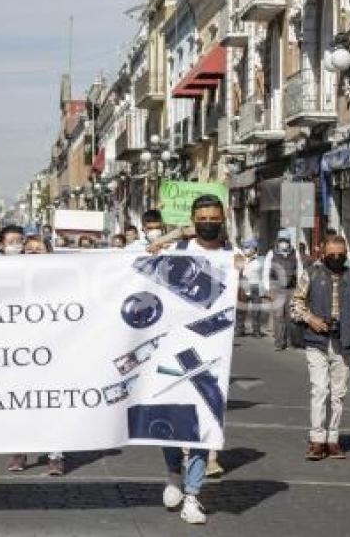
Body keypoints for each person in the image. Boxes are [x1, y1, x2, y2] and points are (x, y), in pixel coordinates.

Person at [155, 195, 243, 525]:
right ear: (194, 220)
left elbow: (242, 299)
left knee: (204, 424)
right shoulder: (178, 252)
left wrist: (240, 276)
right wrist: (174, 235)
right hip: (174, 350)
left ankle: (193, 495)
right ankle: (173, 473)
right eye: (203, 217)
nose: (209, 222)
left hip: (211, 353)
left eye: (214, 217)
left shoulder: (232, 256)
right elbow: (145, 261)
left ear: (223, 220)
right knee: (172, 420)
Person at [290, 235, 350, 460]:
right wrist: (311, 318)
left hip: (343, 342)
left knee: (339, 393)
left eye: (341, 255)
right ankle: (317, 439)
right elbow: (295, 304)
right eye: (332, 255)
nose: (336, 258)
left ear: (346, 254)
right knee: (319, 390)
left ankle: (333, 439)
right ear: (323, 254)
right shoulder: (312, 274)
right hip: (317, 341)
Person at [2, 227, 65, 475]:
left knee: (55, 401)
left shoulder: (64, 279)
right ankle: (20, 450)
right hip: (20, 350)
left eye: (39, 250)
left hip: (55, 347)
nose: (33, 254)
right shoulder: (9, 278)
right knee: (20, 401)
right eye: (29, 251)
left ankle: (56, 454)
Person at [263, 232, 303, 351]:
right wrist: (267, 289)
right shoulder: (271, 253)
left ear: (289, 241)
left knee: (290, 316)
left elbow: (300, 270)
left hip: (291, 288)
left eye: (285, 240)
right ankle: (279, 342)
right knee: (278, 315)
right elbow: (266, 271)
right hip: (276, 287)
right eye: (281, 240)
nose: (283, 243)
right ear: (277, 240)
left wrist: (300, 288)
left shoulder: (295, 253)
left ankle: (290, 342)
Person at [237, 239, 265, 337]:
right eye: (245, 247)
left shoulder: (262, 259)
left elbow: (265, 275)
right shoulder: (239, 258)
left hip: (256, 286)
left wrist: (266, 289)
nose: (246, 249)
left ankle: (256, 330)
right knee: (240, 309)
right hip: (243, 286)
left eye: (249, 247)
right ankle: (240, 329)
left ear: (255, 249)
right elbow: (235, 273)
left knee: (256, 311)